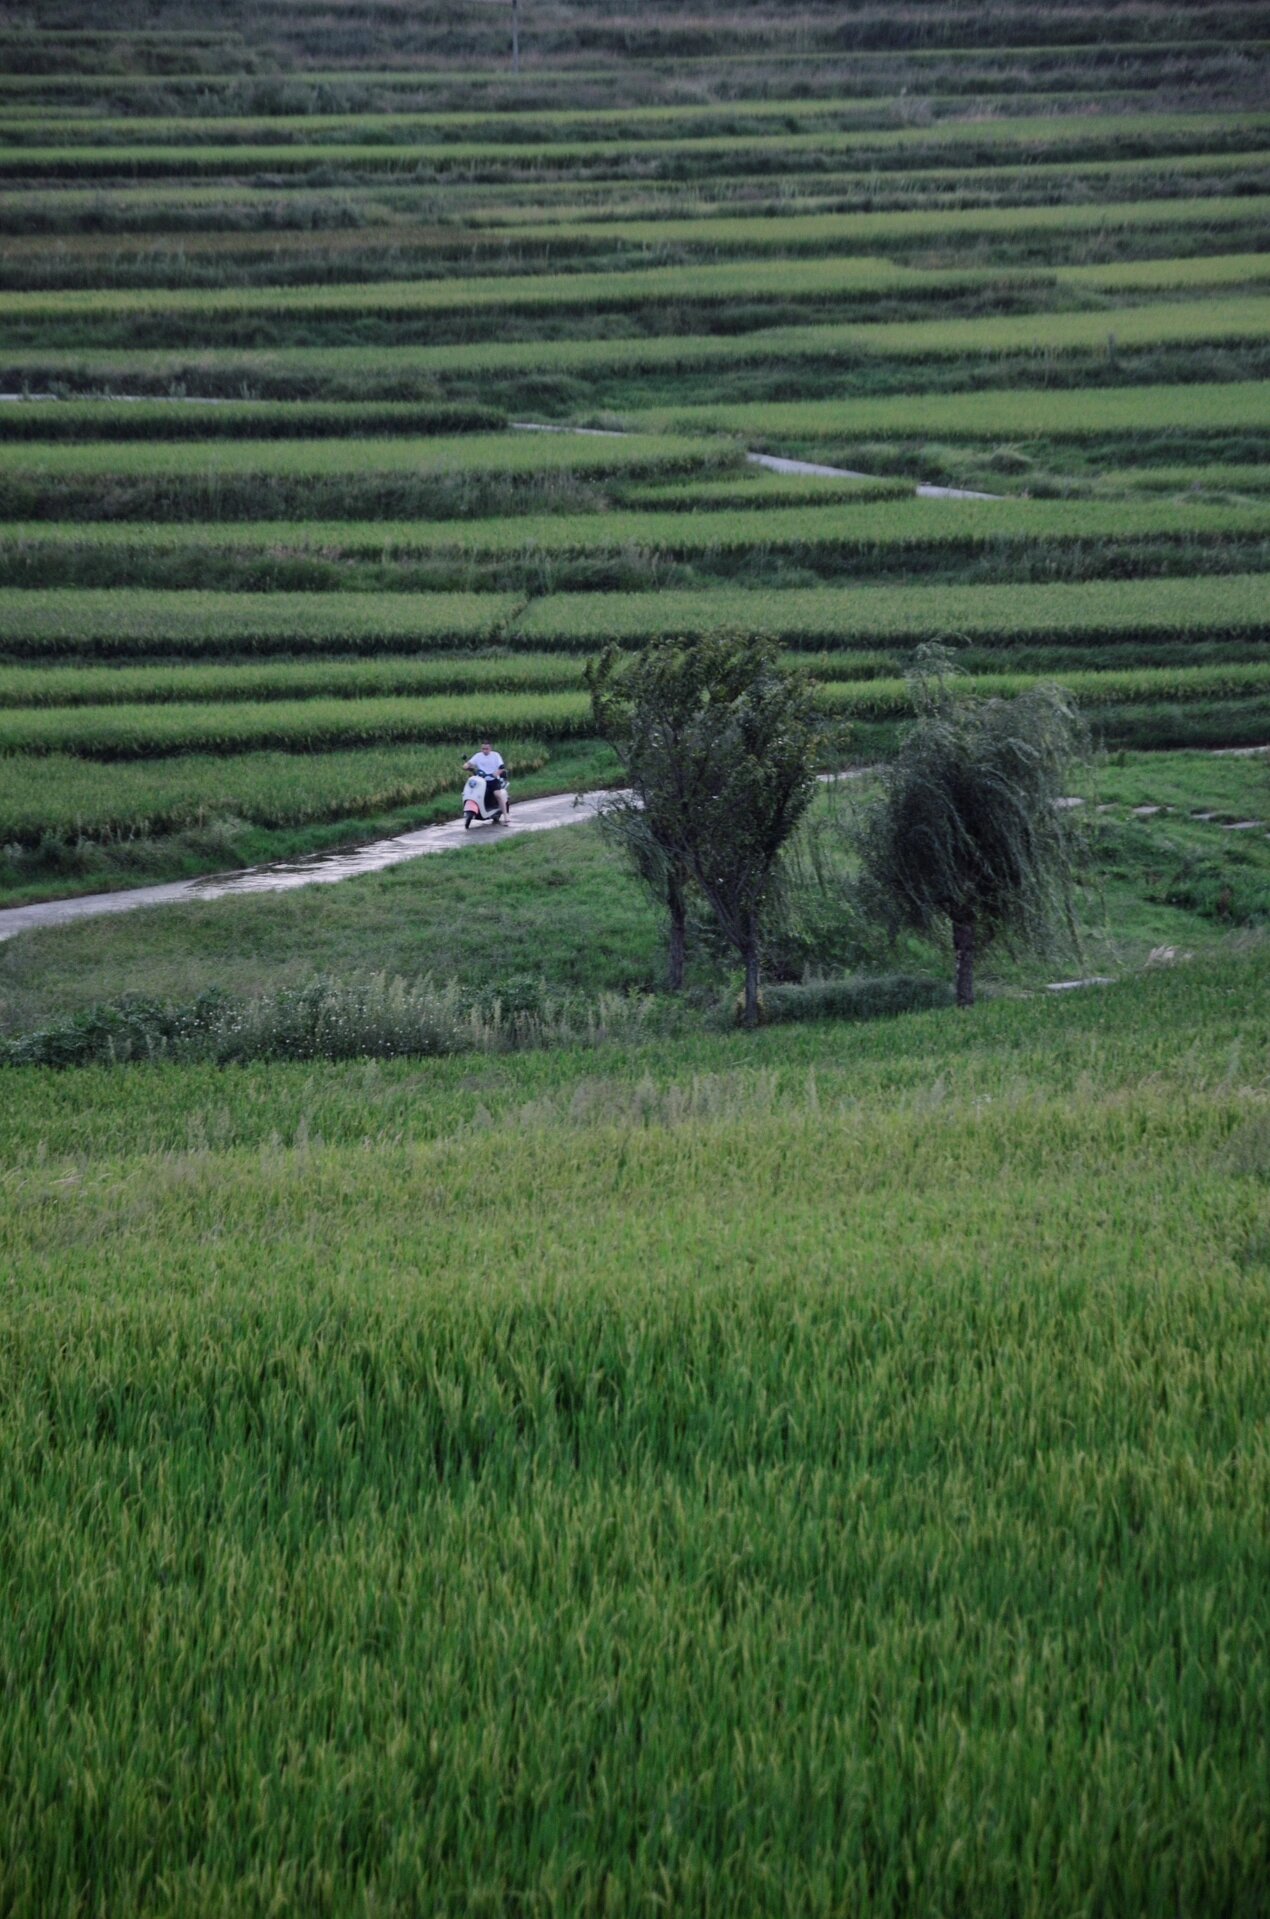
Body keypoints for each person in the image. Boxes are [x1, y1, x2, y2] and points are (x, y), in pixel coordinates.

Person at [464, 740, 509, 823]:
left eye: (486, 749)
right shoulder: (478, 756)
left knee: (497, 794)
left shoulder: (496, 755)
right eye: (483, 749)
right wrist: (466, 766)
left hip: (493, 780)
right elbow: (469, 763)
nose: (484, 750)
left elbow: (501, 767)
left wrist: (495, 774)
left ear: (490, 748)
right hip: (481, 781)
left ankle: (506, 816)